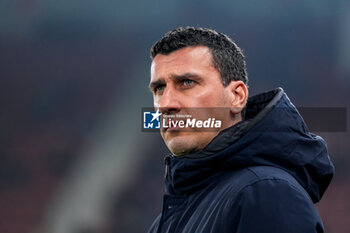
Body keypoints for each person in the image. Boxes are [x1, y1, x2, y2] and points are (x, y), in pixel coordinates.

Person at [147, 26, 334, 233]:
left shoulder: (266, 194)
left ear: (237, 96)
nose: (165, 103)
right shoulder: (167, 219)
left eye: (187, 82)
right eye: (159, 88)